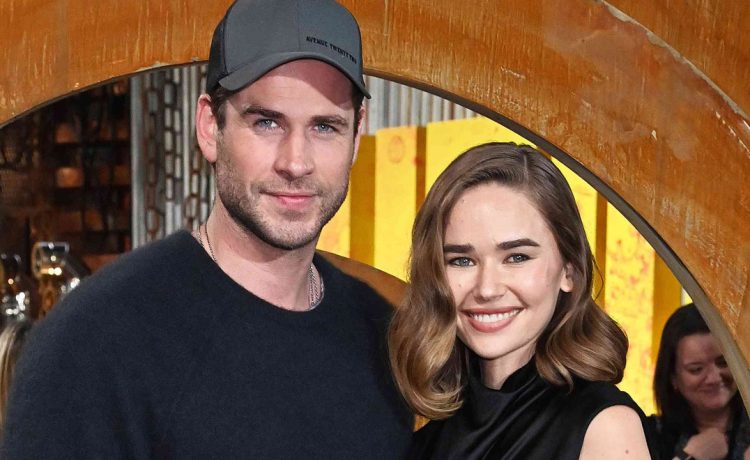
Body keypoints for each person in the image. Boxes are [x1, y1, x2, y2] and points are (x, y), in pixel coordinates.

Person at [1, 0, 413, 458]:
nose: (296, 162)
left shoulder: (384, 338)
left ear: (356, 135)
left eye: (325, 127)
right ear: (209, 127)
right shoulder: (93, 344)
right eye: (267, 122)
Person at [389, 142, 656, 459]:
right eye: (461, 260)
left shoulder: (606, 427)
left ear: (569, 270)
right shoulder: (425, 437)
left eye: (517, 257)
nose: (487, 289)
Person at [650, 303, 749, 460]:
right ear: (673, 377)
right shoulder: (650, 434)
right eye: (696, 369)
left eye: (723, 363)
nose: (714, 378)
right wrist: (688, 456)